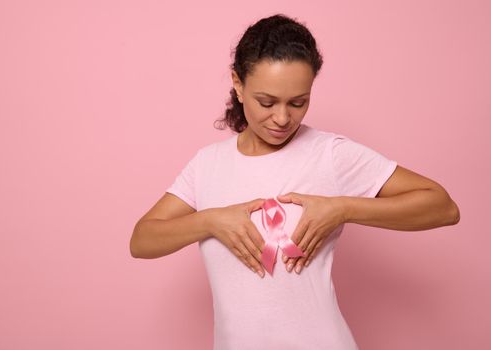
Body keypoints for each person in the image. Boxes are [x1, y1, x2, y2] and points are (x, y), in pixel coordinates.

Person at [130, 13, 460, 350]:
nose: (283, 118)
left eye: (298, 102)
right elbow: (142, 241)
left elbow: (443, 207)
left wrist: (342, 209)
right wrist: (211, 220)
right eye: (267, 102)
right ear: (238, 84)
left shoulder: (329, 154)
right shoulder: (207, 164)